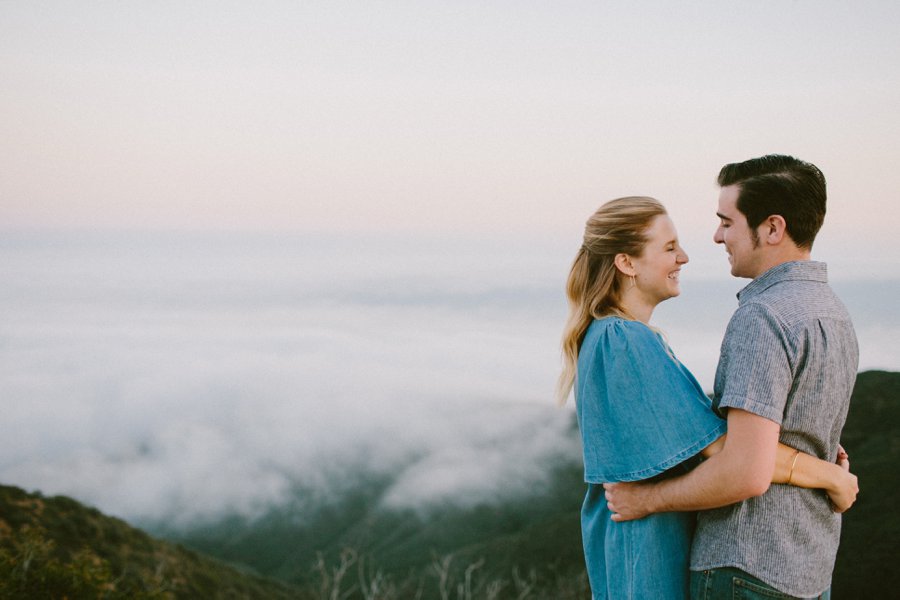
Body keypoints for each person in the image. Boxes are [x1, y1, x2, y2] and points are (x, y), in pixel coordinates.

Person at [556, 195, 858, 599]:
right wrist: (831, 476)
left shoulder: (618, 338)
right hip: (648, 559)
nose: (683, 257)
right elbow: (726, 448)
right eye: (668, 248)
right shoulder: (622, 342)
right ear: (626, 263)